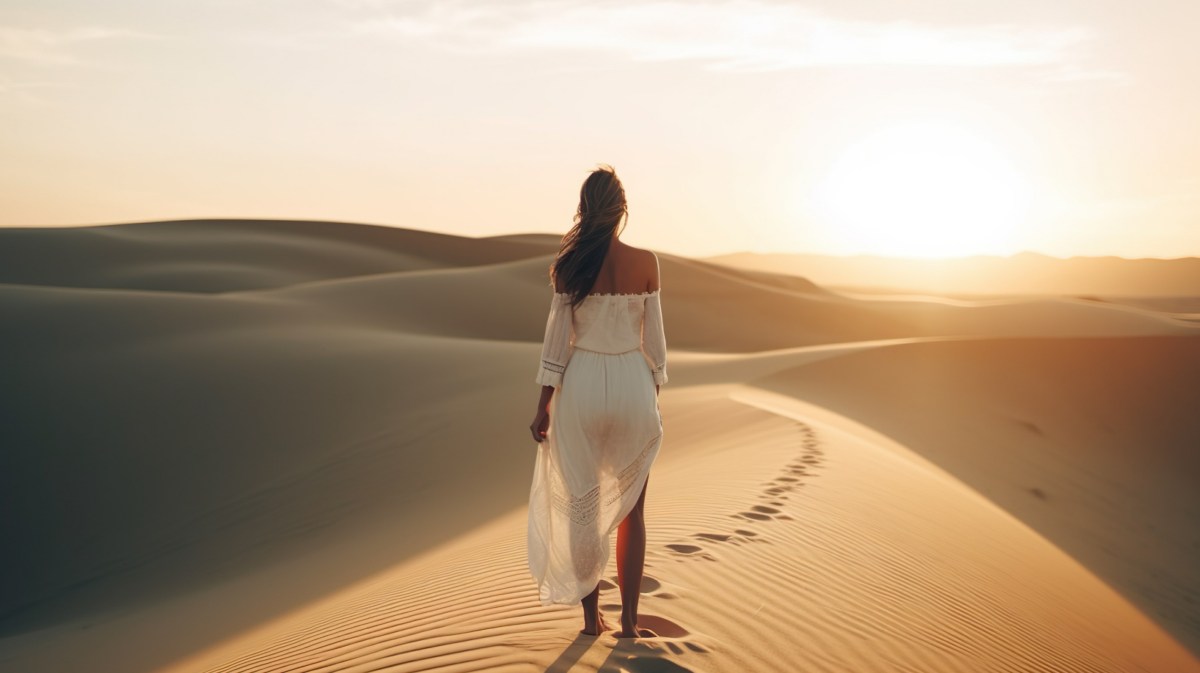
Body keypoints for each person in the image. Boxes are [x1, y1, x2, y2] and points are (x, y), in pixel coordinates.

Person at [526, 165, 668, 639]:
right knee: (634, 510)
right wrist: (651, 394)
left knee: (583, 505)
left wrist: (543, 404)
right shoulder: (646, 262)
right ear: (621, 208)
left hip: (581, 384)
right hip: (631, 381)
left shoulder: (570, 267)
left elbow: (555, 345)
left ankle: (592, 621)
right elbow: (657, 346)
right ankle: (628, 623)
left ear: (585, 209)